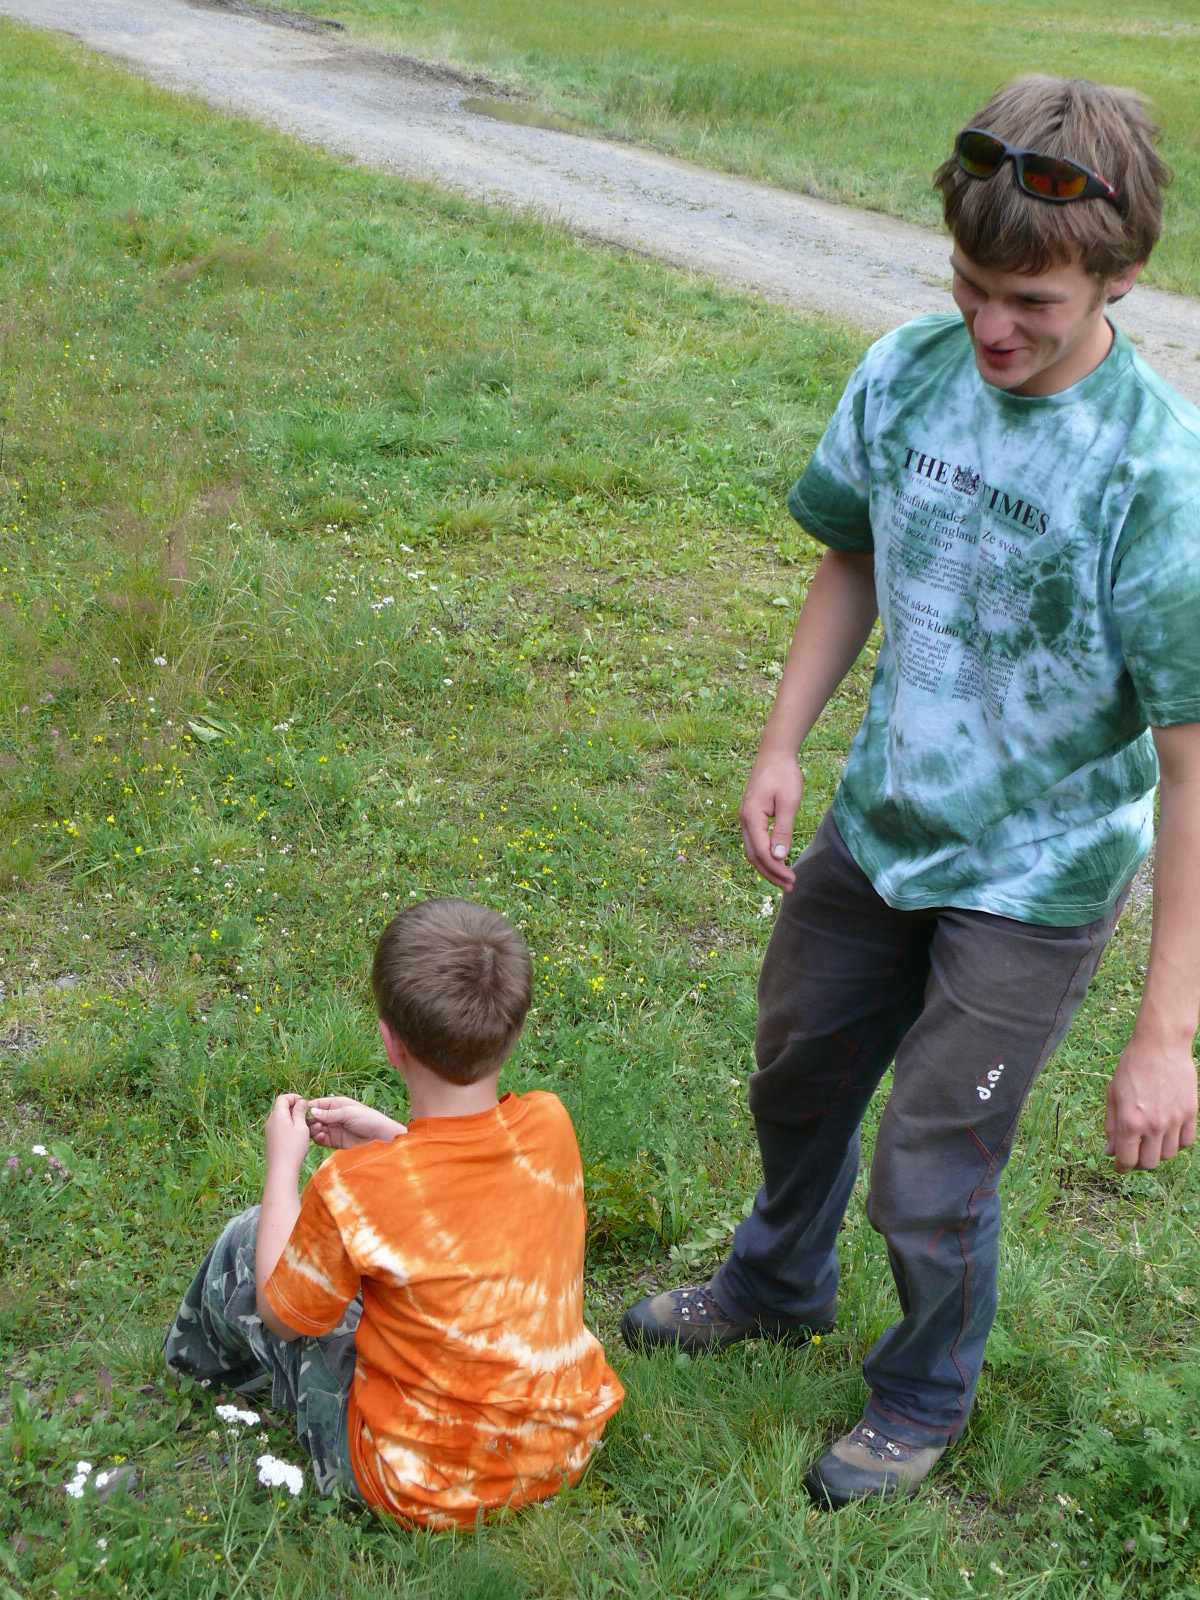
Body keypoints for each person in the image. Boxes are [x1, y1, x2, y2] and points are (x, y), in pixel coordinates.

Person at [621, 75, 1200, 1508]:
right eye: (970, 287)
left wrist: (1165, 1033)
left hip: (1038, 875)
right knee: (797, 1072)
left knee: (931, 1165)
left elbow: (1194, 763)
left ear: (1121, 275)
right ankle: (774, 1283)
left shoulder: (1157, 474)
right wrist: (782, 742)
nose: (993, 328)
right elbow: (855, 555)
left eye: (1032, 303)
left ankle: (925, 1388)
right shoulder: (905, 373)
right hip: (881, 822)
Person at [165, 898, 624, 1527]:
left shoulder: (352, 1190)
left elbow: (279, 1313)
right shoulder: (550, 1125)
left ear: (389, 1040)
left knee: (249, 1238)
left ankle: (195, 1378)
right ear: (514, 1031)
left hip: (418, 1485)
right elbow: (466, 1193)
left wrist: (282, 1169)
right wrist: (393, 1139)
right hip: (560, 1448)